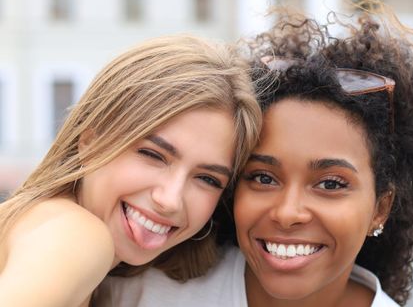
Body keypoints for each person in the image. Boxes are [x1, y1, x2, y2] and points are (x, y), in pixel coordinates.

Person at [96, 0, 413, 307]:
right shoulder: (137, 291)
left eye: (331, 184)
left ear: (380, 208)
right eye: (262, 177)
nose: (288, 213)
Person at [0, 35, 262, 307]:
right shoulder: (78, 234)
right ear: (90, 141)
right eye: (152, 155)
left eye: (207, 179)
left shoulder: (41, 222)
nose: (170, 199)